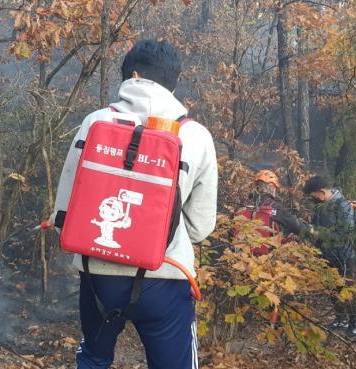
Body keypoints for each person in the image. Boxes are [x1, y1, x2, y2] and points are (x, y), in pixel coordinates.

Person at [51, 40, 218, 369]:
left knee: (94, 358)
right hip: (165, 278)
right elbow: (200, 228)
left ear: (134, 75)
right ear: (172, 83)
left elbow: (64, 212)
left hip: (99, 276)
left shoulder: (95, 121)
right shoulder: (196, 135)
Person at [303, 175, 356, 338]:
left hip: (343, 256)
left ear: (321, 192)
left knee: (347, 290)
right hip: (326, 254)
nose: (312, 199)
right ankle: (340, 319)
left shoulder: (343, 206)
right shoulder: (321, 206)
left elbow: (344, 233)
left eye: (313, 196)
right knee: (332, 289)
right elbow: (315, 226)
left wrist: (318, 233)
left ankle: (355, 323)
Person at [234, 169, 306, 255]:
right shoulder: (275, 207)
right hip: (266, 260)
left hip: (239, 257)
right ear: (272, 187)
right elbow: (297, 227)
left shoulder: (242, 206)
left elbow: (231, 230)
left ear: (256, 186)